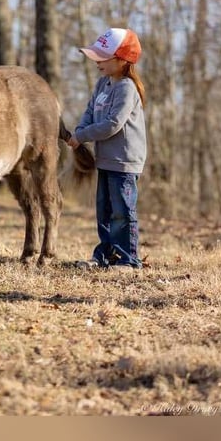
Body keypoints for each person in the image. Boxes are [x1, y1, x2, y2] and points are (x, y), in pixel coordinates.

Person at [66, 27, 146, 269]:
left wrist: (81, 136)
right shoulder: (103, 84)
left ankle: (128, 260)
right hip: (105, 160)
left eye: (103, 57)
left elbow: (113, 124)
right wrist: (79, 131)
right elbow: (90, 113)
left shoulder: (126, 88)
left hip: (124, 161)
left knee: (122, 213)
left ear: (122, 60)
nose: (97, 62)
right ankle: (105, 255)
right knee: (105, 212)